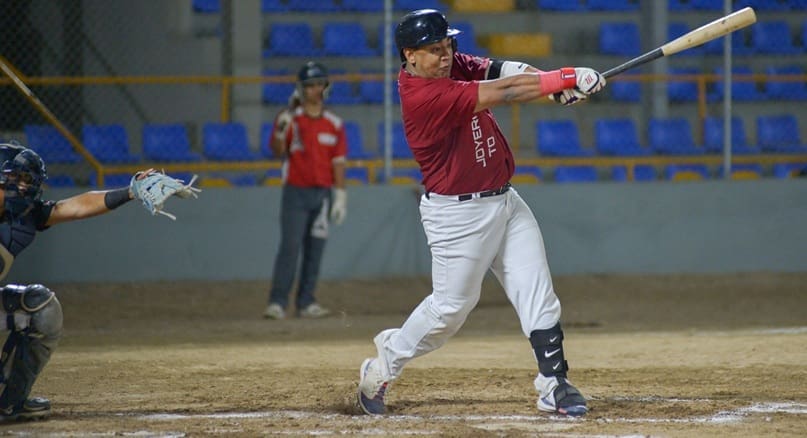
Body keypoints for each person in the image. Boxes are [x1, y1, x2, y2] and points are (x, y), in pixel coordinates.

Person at [357, 9, 606, 417]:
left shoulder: (448, 65)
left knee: (537, 291)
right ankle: (387, 360)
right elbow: (505, 92)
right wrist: (565, 77)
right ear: (410, 55)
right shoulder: (423, 96)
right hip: (457, 218)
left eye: (448, 45)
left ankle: (554, 382)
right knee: (449, 311)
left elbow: (502, 69)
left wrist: (551, 86)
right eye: (435, 49)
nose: (446, 54)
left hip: (505, 201)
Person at [0, 142, 189, 422]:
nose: (23, 188)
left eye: (28, 180)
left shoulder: (25, 215)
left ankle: (9, 403)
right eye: (16, 179)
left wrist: (130, 192)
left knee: (41, 309)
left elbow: (76, 206)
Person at [263, 61, 348, 320]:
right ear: (301, 89)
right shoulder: (290, 119)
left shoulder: (333, 123)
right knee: (290, 246)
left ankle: (306, 302)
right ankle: (277, 302)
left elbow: (339, 162)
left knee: (315, 249)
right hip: (295, 193)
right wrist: (280, 130)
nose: (315, 89)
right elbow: (277, 152)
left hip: (322, 195)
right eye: (310, 85)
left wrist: (340, 196)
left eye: (319, 84)